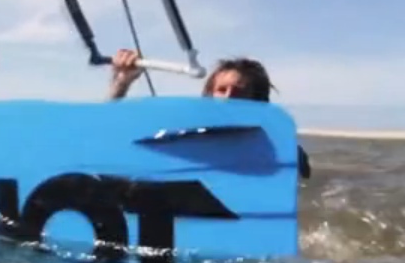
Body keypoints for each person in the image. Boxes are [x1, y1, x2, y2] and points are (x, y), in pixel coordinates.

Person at [107, 49, 311, 179]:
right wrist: (121, 83)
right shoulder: (184, 134)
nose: (228, 98)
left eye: (239, 92)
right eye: (222, 90)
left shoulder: (278, 145)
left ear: (255, 100)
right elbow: (106, 136)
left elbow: (301, 172)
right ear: (210, 95)